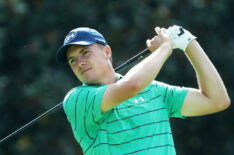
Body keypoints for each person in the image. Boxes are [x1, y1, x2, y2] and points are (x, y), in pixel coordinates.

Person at [56, 26, 230, 155]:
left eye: (85, 52)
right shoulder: (77, 99)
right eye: (72, 60)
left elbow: (217, 100)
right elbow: (132, 86)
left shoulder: (154, 90)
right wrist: (164, 48)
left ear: (107, 52)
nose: (80, 62)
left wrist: (188, 42)